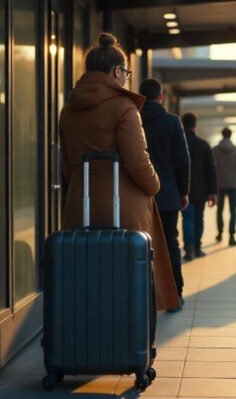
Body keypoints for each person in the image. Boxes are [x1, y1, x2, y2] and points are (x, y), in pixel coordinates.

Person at [58, 33, 180, 320]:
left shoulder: (68, 110)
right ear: (116, 71)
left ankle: (89, 342)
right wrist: (155, 184)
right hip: (121, 206)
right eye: (126, 72)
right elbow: (138, 161)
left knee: (86, 279)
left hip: (80, 202)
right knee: (128, 279)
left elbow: (66, 164)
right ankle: (125, 343)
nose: (127, 77)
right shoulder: (124, 107)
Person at [139, 78, 190, 312]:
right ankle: (174, 295)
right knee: (170, 244)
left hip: (139, 194)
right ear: (161, 97)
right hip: (168, 196)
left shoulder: (132, 118)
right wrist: (183, 191)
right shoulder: (171, 122)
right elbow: (182, 160)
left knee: (139, 246)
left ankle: (143, 295)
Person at [180, 112, 217, 261]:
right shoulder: (203, 145)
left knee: (187, 218)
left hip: (183, 189)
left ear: (182, 124)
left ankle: (188, 248)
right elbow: (211, 169)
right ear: (196, 125)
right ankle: (197, 247)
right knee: (198, 218)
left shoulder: (179, 143)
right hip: (201, 190)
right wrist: (213, 192)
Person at [212, 127, 236, 246]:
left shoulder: (215, 150)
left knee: (219, 210)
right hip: (233, 185)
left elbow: (211, 168)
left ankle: (220, 233)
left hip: (219, 185)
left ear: (222, 135)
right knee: (233, 211)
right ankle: (232, 236)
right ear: (230, 135)